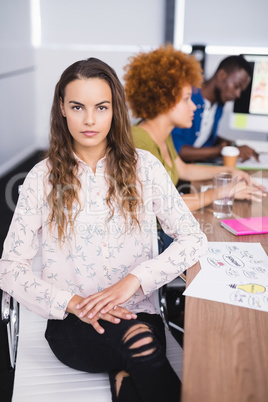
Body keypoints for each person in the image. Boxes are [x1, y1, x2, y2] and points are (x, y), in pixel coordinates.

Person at [0, 57, 208, 402]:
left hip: (137, 311)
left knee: (137, 342)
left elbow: (193, 239)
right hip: (73, 323)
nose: (91, 119)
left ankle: (124, 382)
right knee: (139, 344)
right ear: (62, 109)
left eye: (102, 106)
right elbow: (9, 269)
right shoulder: (41, 177)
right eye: (78, 107)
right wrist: (75, 303)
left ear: (115, 110)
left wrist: (134, 281)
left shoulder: (146, 168)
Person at [123, 45, 265, 217]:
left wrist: (229, 171)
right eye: (186, 99)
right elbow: (161, 206)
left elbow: (183, 169)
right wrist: (222, 191)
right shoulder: (141, 142)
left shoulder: (161, 133)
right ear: (164, 99)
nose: (193, 106)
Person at [171, 54, 259, 163]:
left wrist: (231, 144)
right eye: (236, 86)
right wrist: (223, 151)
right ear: (221, 75)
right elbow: (176, 150)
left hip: (196, 166)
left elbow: (205, 136)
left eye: (241, 90)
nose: (238, 94)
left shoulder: (219, 105)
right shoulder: (188, 98)